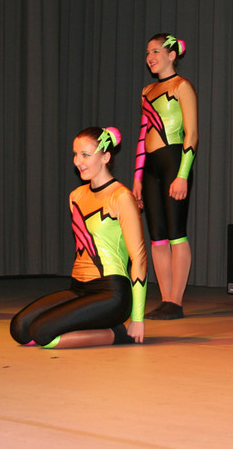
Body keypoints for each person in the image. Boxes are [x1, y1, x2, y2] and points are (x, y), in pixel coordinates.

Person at [11, 127, 147, 348]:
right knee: (20, 328)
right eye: (75, 154)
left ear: (105, 157)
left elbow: (139, 258)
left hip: (111, 293)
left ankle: (116, 334)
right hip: (79, 289)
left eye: (85, 155)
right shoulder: (76, 196)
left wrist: (138, 318)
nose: (78, 161)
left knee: (43, 333)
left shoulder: (121, 197)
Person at [131, 34, 198, 320]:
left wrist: (182, 175)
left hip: (174, 161)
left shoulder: (182, 86)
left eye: (156, 51)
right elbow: (143, 134)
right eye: (148, 52)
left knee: (176, 233)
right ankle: (165, 299)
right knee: (157, 236)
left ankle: (176, 301)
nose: (151, 57)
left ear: (172, 55)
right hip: (150, 168)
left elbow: (192, 134)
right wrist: (137, 178)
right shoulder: (147, 91)